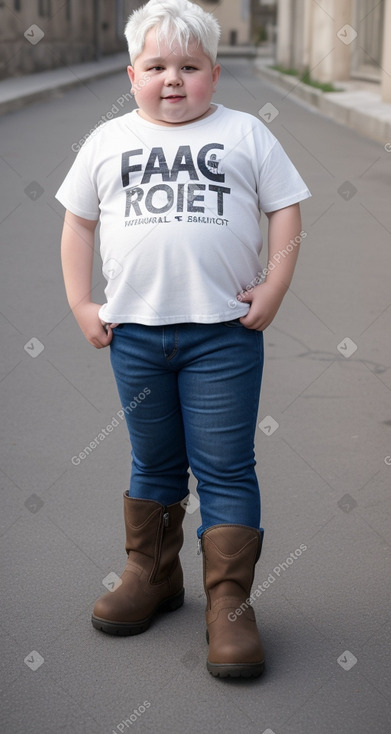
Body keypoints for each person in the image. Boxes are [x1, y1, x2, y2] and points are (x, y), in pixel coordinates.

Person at [56, 0, 311, 678]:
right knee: (154, 464)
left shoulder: (245, 134)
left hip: (222, 337)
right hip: (136, 336)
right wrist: (81, 300)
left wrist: (274, 285)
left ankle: (228, 604)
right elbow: (78, 223)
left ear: (215, 75)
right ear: (132, 71)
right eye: (157, 66)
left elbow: (285, 207)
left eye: (189, 67)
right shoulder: (108, 141)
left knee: (225, 467)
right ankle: (153, 574)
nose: (173, 79)